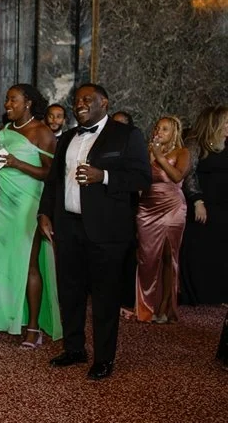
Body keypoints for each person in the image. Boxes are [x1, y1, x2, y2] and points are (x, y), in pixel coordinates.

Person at [39, 83, 152, 380]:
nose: (80, 104)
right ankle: (74, 349)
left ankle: (104, 358)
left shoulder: (127, 135)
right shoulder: (68, 138)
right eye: (77, 100)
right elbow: (54, 180)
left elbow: (142, 178)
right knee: (70, 292)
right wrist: (44, 213)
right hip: (68, 226)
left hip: (107, 230)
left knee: (105, 296)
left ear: (105, 102)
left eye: (87, 99)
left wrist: (104, 176)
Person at [0, 85, 62, 348]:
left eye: (12, 100)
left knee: (28, 263)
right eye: (6, 100)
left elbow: (51, 174)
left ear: (28, 103)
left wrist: (19, 163)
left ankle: (33, 327)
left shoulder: (42, 132)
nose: (7, 104)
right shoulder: (4, 131)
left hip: (26, 204)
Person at [135, 116, 190, 323]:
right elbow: (140, 180)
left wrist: (159, 156)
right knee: (146, 258)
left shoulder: (182, 152)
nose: (159, 131)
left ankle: (165, 308)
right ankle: (146, 307)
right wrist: (151, 155)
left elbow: (177, 176)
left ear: (174, 133)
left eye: (165, 129)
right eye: (157, 127)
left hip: (172, 207)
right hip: (147, 207)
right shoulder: (146, 151)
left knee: (168, 257)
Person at [179, 106, 228, 307]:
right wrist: (198, 201)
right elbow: (189, 175)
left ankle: (221, 293)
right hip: (203, 205)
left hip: (224, 206)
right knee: (201, 250)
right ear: (215, 123)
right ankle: (200, 294)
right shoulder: (196, 143)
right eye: (226, 121)